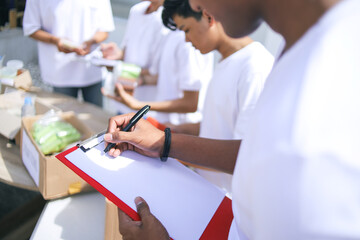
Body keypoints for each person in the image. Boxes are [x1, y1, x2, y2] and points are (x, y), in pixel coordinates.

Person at [104, 0, 360, 239]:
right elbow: (253, 150)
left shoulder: (333, 68)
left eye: (187, 28)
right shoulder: (302, 47)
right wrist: (163, 140)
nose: (195, 4)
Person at [161, 0, 274, 193]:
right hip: (210, 193)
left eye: (186, 29)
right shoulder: (227, 61)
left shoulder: (254, 68)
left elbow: (244, 154)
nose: (187, 40)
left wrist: (166, 147)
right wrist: (184, 130)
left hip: (230, 204)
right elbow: (225, 124)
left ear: (208, 16)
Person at [23, 0, 114, 107]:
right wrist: (55, 40)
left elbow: (105, 29)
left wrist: (91, 41)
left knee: (95, 117)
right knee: (63, 118)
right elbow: (31, 28)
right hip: (60, 72)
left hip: (92, 69)